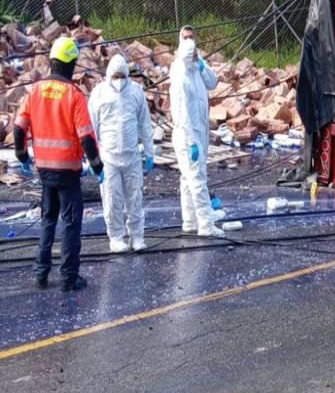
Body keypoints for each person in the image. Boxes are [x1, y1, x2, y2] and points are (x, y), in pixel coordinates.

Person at [14, 36, 104, 292]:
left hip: (44, 170)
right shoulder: (74, 95)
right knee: (71, 222)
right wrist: (97, 166)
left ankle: (41, 273)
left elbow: (19, 129)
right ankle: (68, 277)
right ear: (71, 63)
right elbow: (86, 136)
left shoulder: (35, 91)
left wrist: (23, 157)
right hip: (68, 172)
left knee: (48, 220)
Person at [88, 54, 155, 253]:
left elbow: (145, 123)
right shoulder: (99, 93)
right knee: (111, 199)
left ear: (127, 75)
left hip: (132, 155)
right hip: (108, 157)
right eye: (115, 76)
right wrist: (93, 159)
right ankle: (116, 237)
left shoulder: (136, 92)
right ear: (109, 75)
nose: (118, 81)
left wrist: (150, 152)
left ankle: (137, 236)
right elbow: (91, 127)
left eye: (121, 76)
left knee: (135, 198)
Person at [169, 30, 223, 236]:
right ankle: (206, 225)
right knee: (198, 178)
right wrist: (191, 141)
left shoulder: (195, 69)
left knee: (187, 178)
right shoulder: (181, 74)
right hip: (188, 134)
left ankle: (190, 221)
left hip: (200, 131)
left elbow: (213, 82)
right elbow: (181, 113)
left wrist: (201, 64)